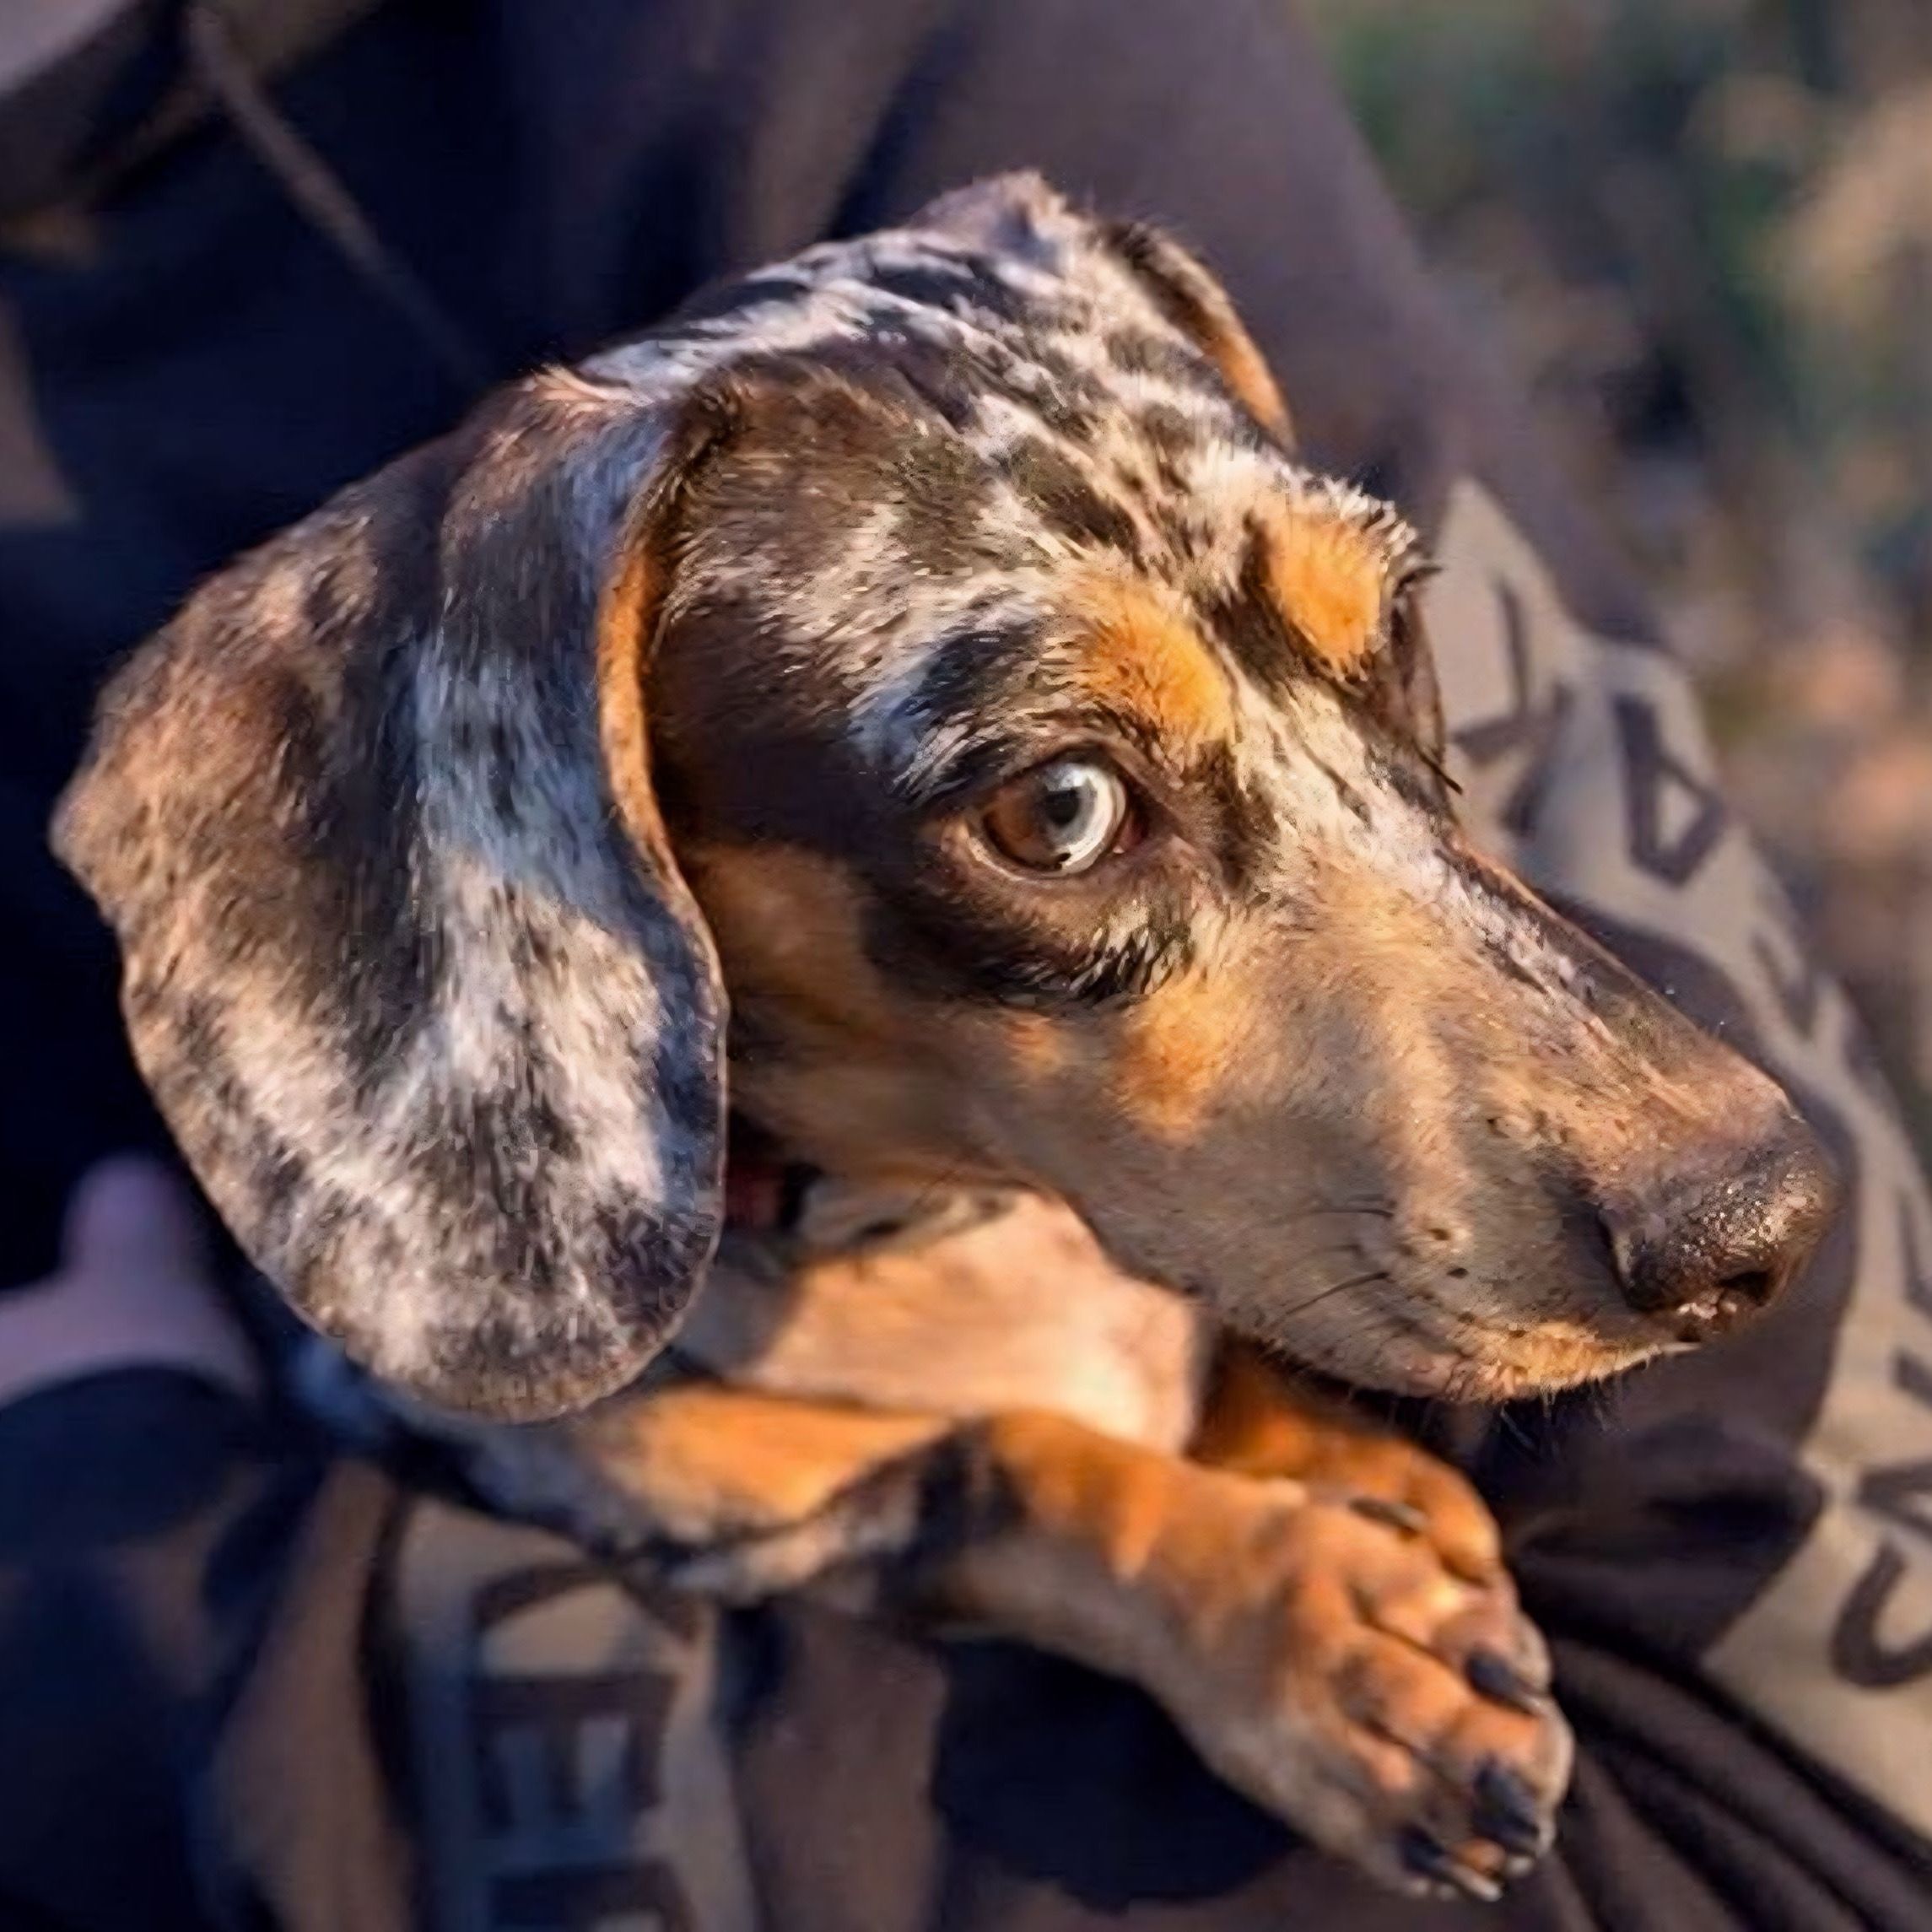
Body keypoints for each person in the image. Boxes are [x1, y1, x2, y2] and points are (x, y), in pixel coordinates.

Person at [3, 4, 1929, 1927]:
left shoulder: (942, 61)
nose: (1676, 1116)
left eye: (1370, 654)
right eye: (1060, 812)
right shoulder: (480, 914)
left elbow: (1792, 1852)